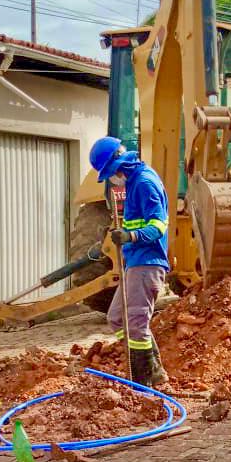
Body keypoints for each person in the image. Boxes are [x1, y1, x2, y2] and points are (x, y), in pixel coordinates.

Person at [89, 137, 169, 387]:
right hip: (135, 262)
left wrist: (130, 235)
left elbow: (158, 224)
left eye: (111, 174)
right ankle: (153, 367)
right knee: (116, 317)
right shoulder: (134, 182)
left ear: (117, 168)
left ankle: (144, 382)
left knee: (136, 323)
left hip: (147, 263)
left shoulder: (144, 183)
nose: (112, 179)